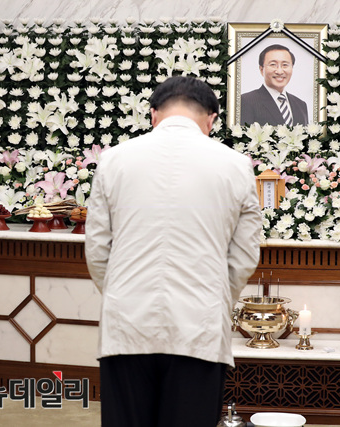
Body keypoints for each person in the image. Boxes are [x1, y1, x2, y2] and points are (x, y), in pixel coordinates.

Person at [85, 76, 262, 427]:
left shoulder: (114, 160)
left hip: (127, 325)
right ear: (211, 119)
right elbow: (244, 256)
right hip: (199, 326)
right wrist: (215, 299)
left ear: (153, 114)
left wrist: (121, 293)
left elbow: (97, 248)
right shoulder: (235, 165)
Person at [240, 44, 308, 126]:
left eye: (285, 65)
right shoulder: (246, 101)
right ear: (261, 69)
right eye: (273, 64)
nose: (279, 71)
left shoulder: (301, 105)